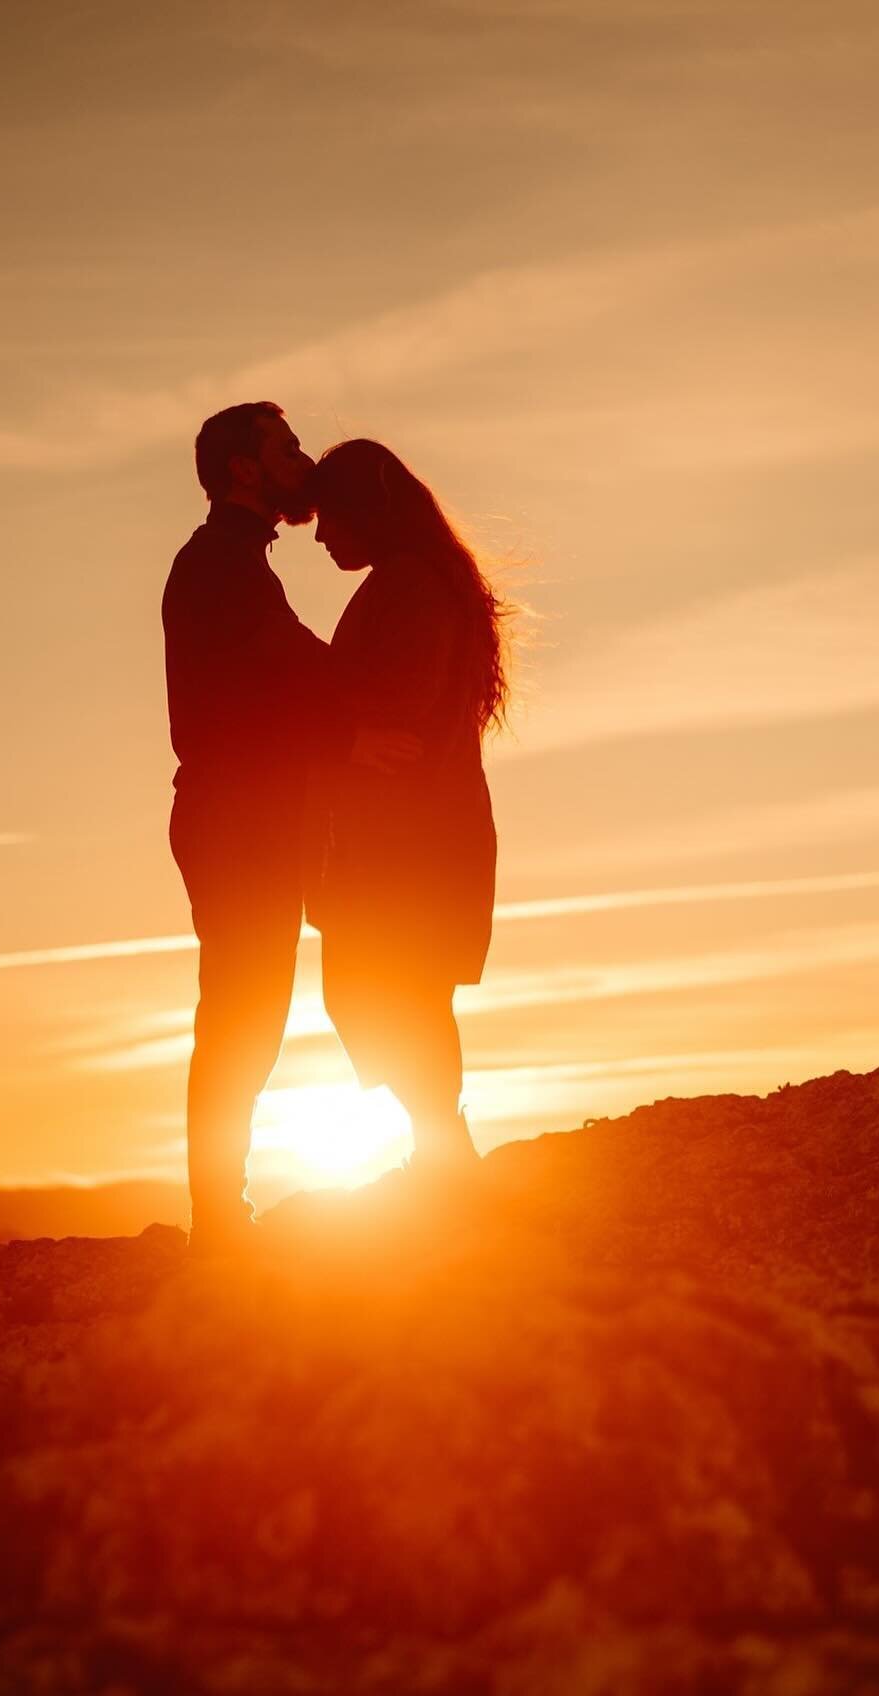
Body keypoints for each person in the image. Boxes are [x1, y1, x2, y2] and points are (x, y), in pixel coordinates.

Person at [161, 404, 417, 1256]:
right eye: (286, 450)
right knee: (241, 1012)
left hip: (249, 819)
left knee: (249, 1012)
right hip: (235, 821)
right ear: (244, 469)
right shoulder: (217, 566)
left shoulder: (235, 564)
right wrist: (354, 737)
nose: (301, 462)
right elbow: (271, 682)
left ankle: (217, 1211)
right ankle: (216, 1218)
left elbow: (288, 668)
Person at [308, 439, 508, 1177]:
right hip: (414, 829)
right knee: (389, 994)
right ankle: (440, 1143)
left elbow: (397, 707)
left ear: (370, 512)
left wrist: (312, 701)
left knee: (397, 992)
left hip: (411, 836)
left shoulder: (410, 587)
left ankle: (442, 1148)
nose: (322, 536)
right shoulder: (412, 581)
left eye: (332, 518)